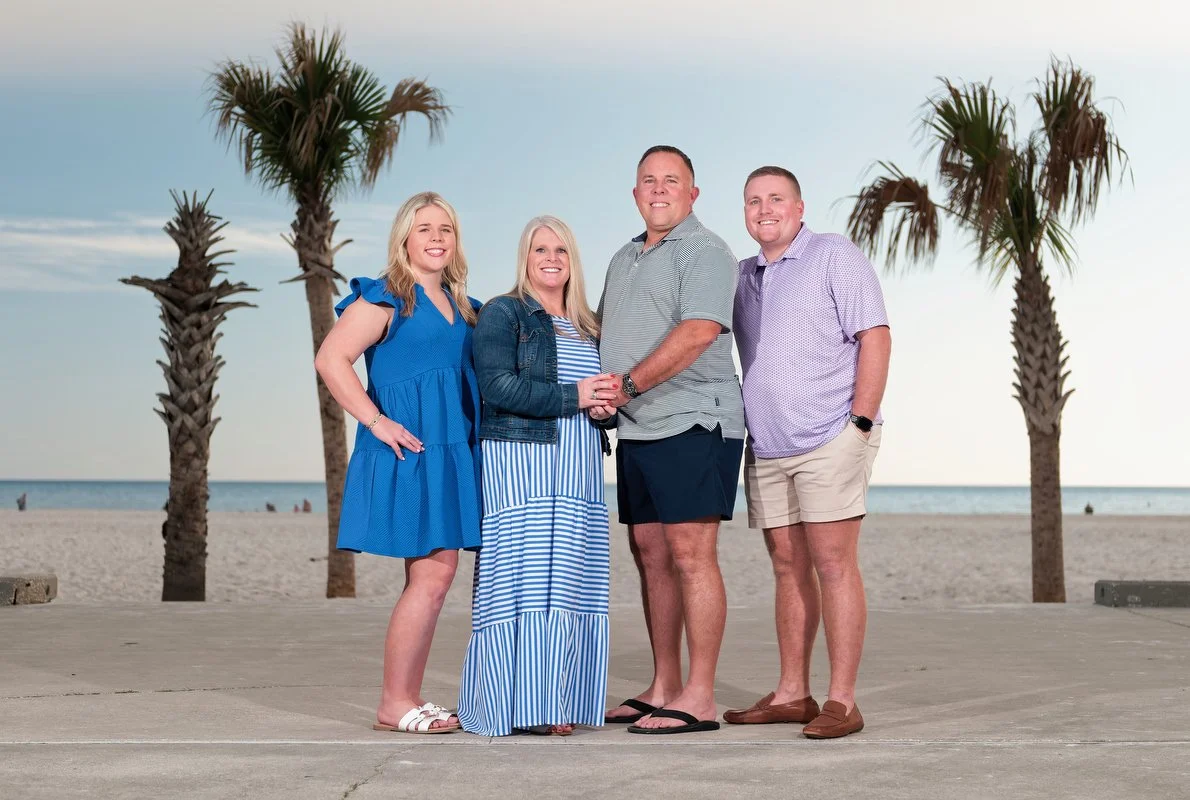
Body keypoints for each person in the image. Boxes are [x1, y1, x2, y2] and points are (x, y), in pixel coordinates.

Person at [726, 166, 891, 739]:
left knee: (833, 564)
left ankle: (843, 701)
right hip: (767, 446)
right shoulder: (741, 276)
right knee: (786, 566)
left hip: (829, 437)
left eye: (776, 199)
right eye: (753, 201)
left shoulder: (832, 255)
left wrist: (861, 423)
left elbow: (875, 334)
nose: (764, 209)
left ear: (799, 208)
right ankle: (793, 692)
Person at [314, 191, 483, 735]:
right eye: (425, 228)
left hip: (453, 447)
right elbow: (330, 358)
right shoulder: (387, 296)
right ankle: (395, 701)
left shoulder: (463, 304)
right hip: (410, 448)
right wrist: (375, 420)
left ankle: (407, 695)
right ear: (405, 237)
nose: (436, 238)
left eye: (446, 229)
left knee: (437, 574)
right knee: (432, 577)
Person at [598, 145, 745, 734]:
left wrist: (627, 384)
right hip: (636, 427)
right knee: (651, 556)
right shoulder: (623, 257)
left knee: (691, 555)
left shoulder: (707, 250)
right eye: (648, 181)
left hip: (693, 420)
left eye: (671, 181)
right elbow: (604, 329)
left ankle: (700, 695)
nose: (659, 190)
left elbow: (699, 331)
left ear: (692, 193)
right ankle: (663, 685)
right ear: (635, 193)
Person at [457, 216, 619, 737]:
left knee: (570, 581)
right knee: (521, 580)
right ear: (525, 258)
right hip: (520, 462)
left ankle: (556, 703)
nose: (551, 258)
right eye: (540, 249)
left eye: (562, 250)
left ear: (573, 261)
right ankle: (514, 705)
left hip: (579, 465)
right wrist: (576, 397)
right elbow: (497, 387)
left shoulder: (590, 323)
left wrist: (603, 410)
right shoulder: (504, 312)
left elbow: (603, 394)